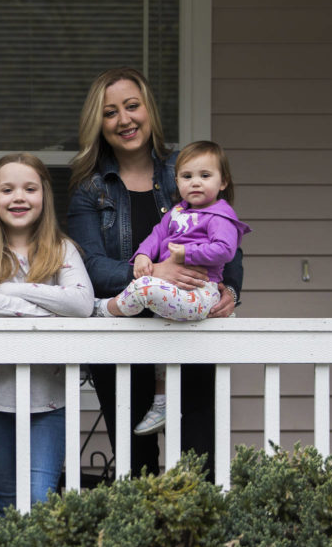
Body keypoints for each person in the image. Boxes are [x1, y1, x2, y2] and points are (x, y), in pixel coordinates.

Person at [66, 67, 244, 480]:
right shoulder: (90, 190)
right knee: (136, 468)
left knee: (200, 465)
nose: (124, 120)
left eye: (132, 106)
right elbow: (92, 267)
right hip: (123, 345)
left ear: (149, 111)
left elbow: (227, 233)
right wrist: (153, 274)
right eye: (111, 112)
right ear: (99, 123)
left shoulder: (184, 170)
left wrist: (231, 288)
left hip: (190, 337)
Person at [0, 153, 95, 515]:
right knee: (5, 499)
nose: (18, 197)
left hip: (50, 399)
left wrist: (13, 290)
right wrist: (50, 311)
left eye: (29, 188)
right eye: (8, 189)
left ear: (44, 196)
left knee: (38, 498)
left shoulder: (61, 249)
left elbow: (82, 303)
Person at [99, 140, 250, 435]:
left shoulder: (220, 216)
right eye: (187, 176)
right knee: (163, 346)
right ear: (177, 180)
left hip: (200, 291)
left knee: (144, 289)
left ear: (223, 182)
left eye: (205, 176)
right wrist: (142, 255)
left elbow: (224, 250)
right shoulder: (176, 213)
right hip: (178, 294)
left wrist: (185, 254)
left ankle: (107, 309)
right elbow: (156, 235)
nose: (195, 183)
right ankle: (162, 400)